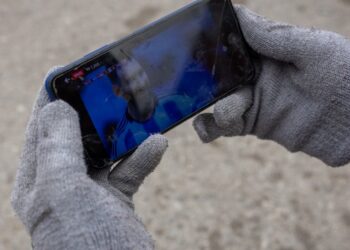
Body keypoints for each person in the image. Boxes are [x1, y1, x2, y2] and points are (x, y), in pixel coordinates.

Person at [11, 5, 350, 250]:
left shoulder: (179, 102)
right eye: (128, 78)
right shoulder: (119, 133)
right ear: (118, 89)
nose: (138, 79)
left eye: (139, 71)